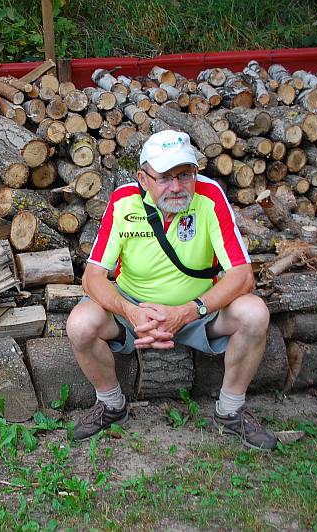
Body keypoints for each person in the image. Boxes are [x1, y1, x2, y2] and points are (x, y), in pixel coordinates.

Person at [66, 130, 277, 450]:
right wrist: (130, 310)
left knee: (254, 313)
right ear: (143, 177)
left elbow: (242, 275)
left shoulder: (210, 196)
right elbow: (93, 276)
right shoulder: (124, 201)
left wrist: (190, 310)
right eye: (165, 177)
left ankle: (231, 410)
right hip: (134, 312)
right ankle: (110, 405)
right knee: (80, 323)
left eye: (185, 174)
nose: (177, 186)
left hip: (198, 311)